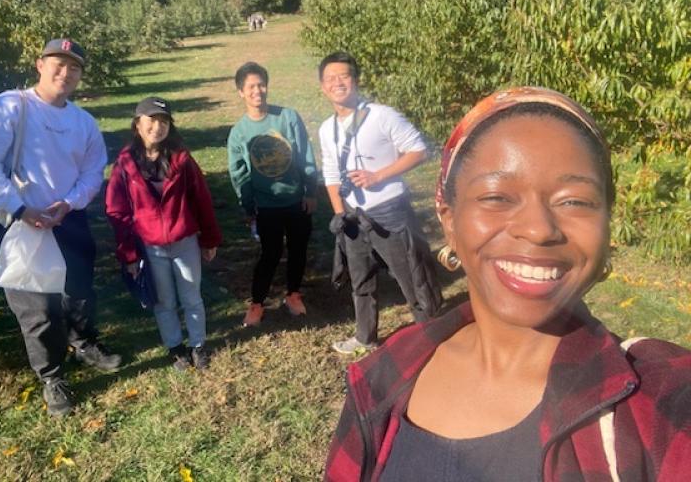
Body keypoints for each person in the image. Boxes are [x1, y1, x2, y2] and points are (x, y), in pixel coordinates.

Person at [324, 87, 691, 481]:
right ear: (449, 218)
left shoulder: (658, 402)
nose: (537, 229)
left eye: (575, 201)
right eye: (497, 197)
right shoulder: (386, 374)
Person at [0, 38, 121, 417]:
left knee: (80, 290)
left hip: (68, 218)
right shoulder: (10, 107)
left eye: (74, 68)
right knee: (36, 306)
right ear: (39, 65)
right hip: (23, 221)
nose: (65, 73)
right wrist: (22, 209)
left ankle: (82, 341)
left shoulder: (83, 122)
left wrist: (69, 203)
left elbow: (92, 172)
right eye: (58, 63)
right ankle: (52, 375)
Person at [318, 51, 441, 355]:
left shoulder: (382, 115)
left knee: (412, 275)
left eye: (344, 76)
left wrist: (378, 176)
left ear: (355, 81)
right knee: (361, 279)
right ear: (322, 86)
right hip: (353, 218)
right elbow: (331, 173)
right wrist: (339, 213)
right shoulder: (326, 129)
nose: (338, 83)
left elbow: (419, 149)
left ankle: (434, 333)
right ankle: (365, 336)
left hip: (389, 210)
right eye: (330, 78)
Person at [106, 97, 222, 370]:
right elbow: (117, 211)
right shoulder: (125, 165)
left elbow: (201, 199)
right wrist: (129, 255)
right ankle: (175, 347)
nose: (157, 127)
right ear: (137, 124)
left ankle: (198, 345)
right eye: (151, 120)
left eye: (164, 121)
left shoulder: (181, 158)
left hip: (185, 242)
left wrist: (209, 239)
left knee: (191, 295)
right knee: (164, 301)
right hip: (150, 247)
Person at [227, 61, 318, 326]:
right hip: (266, 206)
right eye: (251, 86)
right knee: (270, 253)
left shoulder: (287, 117)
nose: (258, 91)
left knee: (299, 249)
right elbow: (239, 172)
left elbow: (305, 155)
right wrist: (248, 207)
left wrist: (310, 190)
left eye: (261, 84)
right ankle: (257, 303)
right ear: (241, 92)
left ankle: (293, 294)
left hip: (296, 199)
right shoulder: (239, 133)